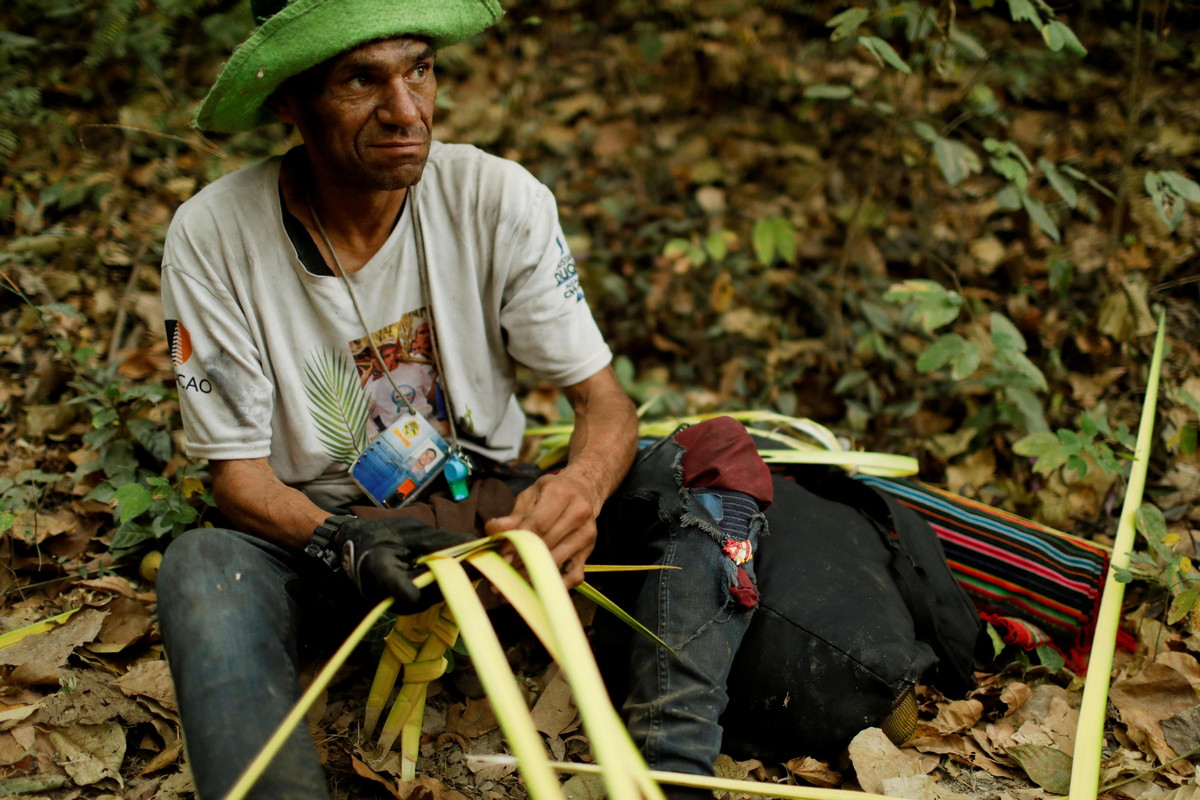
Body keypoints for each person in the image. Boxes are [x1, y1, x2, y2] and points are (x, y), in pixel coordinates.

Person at [156, 1, 980, 798]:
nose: (405, 110)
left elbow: (605, 405)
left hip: (503, 536)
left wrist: (577, 496)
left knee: (708, 455)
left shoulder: (495, 198)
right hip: (349, 559)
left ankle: (670, 772)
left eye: (420, 71)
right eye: (359, 82)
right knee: (202, 566)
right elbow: (240, 480)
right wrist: (341, 540)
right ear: (290, 104)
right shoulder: (215, 235)